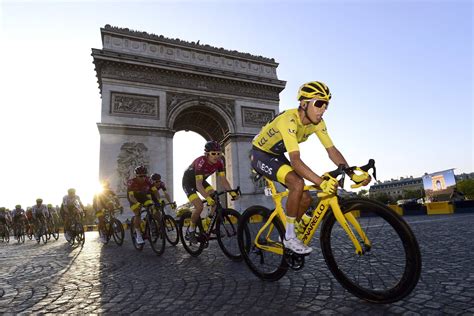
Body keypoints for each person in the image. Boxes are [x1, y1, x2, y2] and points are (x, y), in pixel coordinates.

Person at [250, 81, 371, 255]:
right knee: (297, 184)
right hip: (261, 154)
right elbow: (296, 162)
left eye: (326, 105)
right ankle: (289, 237)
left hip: (277, 155)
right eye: (319, 103)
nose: (323, 109)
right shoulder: (288, 120)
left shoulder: (318, 123)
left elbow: (332, 150)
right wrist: (321, 183)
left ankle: (293, 228)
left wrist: (351, 173)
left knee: (305, 198)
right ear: (304, 103)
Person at [182, 140, 239, 243]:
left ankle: (209, 223)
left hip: (201, 181)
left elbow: (223, 180)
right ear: (207, 154)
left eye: (218, 153)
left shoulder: (219, 162)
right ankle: (191, 230)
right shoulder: (201, 162)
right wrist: (207, 198)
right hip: (189, 182)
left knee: (216, 199)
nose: (216, 156)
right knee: (199, 206)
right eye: (213, 153)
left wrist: (231, 191)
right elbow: (198, 185)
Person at [127, 166, 160, 245]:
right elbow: (131, 196)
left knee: (153, 207)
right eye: (140, 176)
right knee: (137, 213)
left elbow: (155, 192)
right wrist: (137, 203)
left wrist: (159, 200)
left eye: (144, 175)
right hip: (133, 197)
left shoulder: (149, 180)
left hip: (143, 196)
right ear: (136, 176)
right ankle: (138, 234)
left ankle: (154, 225)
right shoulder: (131, 182)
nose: (143, 178)